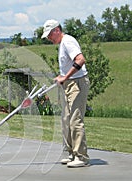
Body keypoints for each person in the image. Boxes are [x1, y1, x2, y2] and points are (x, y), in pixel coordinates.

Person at [41, 19, 90, 167]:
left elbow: (80, 60)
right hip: (68, 84)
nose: (49, 38)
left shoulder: (68, 41)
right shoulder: (62, 44)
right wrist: (62, 77)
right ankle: (71, 153)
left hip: (78, 83)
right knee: (66, 120)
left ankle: (81, 157)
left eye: (50, 35)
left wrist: (65, 77)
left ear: (57, 30)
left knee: (75, 120)